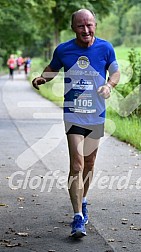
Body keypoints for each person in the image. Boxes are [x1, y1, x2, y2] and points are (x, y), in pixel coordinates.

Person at [32, 9, 120, 238]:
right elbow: (52, 69)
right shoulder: (64, 49)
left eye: (89, 25)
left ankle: (83, 199)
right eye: (81, 26)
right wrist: (43, 77)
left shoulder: (105, 48)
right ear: (73, 28)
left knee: (90, 163)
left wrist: (109, 86)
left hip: (96, 113)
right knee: (77, 163)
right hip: (74, 113)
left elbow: (116, 72)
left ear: (95, 25)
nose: (86, 30)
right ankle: (77, 217)